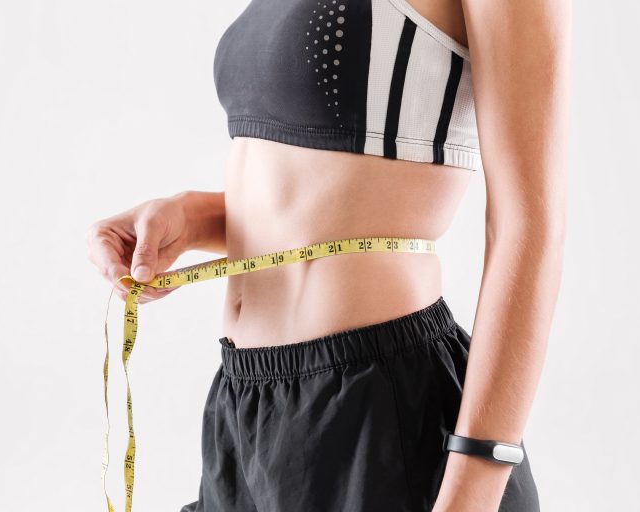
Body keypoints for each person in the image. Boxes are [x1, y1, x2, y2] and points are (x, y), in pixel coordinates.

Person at [86, 0, 569, 509]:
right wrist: (188, 217)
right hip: (243, 407)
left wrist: (472, 488)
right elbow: (322, 196)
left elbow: (531, 226)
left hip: (375, 409)